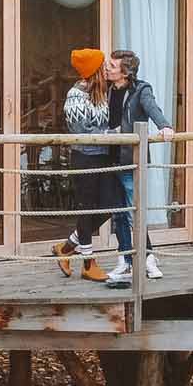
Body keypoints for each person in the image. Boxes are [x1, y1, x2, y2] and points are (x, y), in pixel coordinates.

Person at [55, 48, 126, 279]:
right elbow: (79, 131)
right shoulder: (75, 95)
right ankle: (88, 263)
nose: (106, 68)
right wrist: (110, 133)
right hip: (85, 157)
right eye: (103, 65)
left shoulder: (101, 92)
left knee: (110, 204)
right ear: (93, 70)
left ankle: (66, 248)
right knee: (87, 207)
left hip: (103, 156)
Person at [105, 49, 172, 285]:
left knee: (136, 211)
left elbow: (153, 109)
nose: (107, 68)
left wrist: (164, 126)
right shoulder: (105, 89)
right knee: (119, 214)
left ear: (125, 71)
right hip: (108, 159)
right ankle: (126, 259)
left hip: (130, 159)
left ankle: (147, 257)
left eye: (112, 66)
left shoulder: (141, 90)